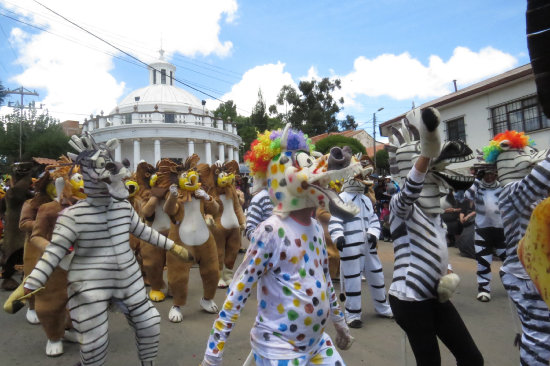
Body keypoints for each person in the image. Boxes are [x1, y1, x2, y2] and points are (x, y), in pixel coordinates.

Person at [200, 125, 355, 366]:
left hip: (317, 344)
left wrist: (340, 324)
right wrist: (212, 355)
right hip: (278, 348)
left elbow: (325, 280)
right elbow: (237, 293)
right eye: (302, 163)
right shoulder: (271, 231)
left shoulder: (315, 227)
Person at [387, 107, 483, 366]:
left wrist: (447, 268)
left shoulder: (435, 209)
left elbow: (435, 245)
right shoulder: (400, 205)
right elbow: (410, 190)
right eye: (428, 162)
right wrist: (427, 154)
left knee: (472, 359)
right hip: (409, 298)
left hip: (434, 295)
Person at [483, 130, 550, 365]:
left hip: (539, 271)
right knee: (541, 339)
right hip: (525, 276)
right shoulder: (511, 193)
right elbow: (538, 179)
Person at [465, 166, 505, 302]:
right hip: (482, 230)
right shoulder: (477, 187)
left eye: (492, 174)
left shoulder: (502, 187)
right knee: (483, 261)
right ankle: (484, 289)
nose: (489, 177)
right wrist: (476, 180)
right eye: (485, 175)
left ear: (496, 174)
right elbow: (467, 196)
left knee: (509, 259)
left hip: (501, 230)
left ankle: (511, 284)